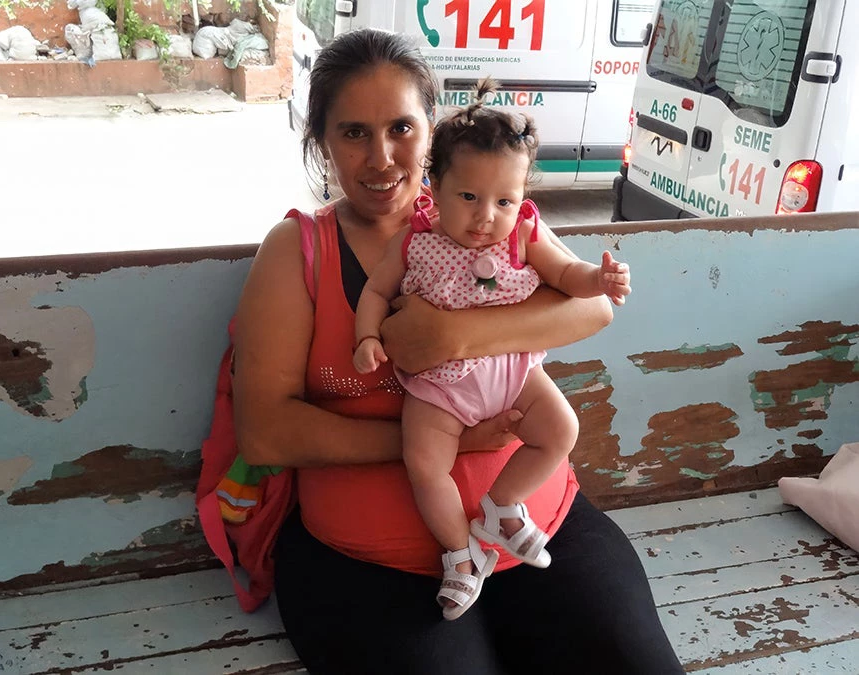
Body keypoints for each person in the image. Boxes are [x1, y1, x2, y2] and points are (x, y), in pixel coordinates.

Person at [232, 27, 684, 675]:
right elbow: (266, 434)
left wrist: (455, 336)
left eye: (401, 128)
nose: (382, 157)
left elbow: (592, 304)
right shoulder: (298, 251)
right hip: (367, 562)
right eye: (354, 132)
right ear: (322, 140)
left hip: (536, 526)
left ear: (433, 129)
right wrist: (449, 443)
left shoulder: (485, 210)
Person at [351, 79, 632, 620]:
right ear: (434, 187)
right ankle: (460, 555)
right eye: (469, 198)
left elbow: (567, 275)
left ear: (523, 198)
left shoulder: (524, 233)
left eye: (505, 200)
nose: (487, 217)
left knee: (561, 432)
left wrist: (600, 277)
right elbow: (377, 291)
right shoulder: (415, 238)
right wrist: (367, 336)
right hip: (439, 388)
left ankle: (502, 507)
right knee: (425, 464)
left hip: (512, 372)